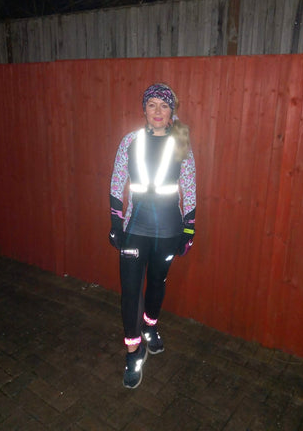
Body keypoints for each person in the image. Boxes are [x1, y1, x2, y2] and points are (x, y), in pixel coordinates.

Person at [109, 83, 196, 389]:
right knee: (131, 290)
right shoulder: (130, 141)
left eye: (164, 105)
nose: (158, 111)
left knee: (157, 283)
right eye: (152, 105)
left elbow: (189, 183)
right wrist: (115, 221)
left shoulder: (181, 142)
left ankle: (150, 327)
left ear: (172, 111)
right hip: (135, 229)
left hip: (169, 231)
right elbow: (118, 177)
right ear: (144, 109)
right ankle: (133, 351)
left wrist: (189, 226)